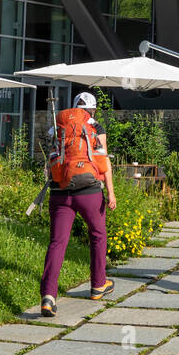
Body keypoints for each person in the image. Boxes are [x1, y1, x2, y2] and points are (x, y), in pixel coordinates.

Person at [40, 92, 116, 318]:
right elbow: (104, 162)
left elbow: (50, 160)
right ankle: (98, 285)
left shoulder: (58, 125)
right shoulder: (95, 126)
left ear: (74, 108)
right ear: (91, 110)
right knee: (98, 235)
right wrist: (111, 193)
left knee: (57, 242)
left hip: (60, 192)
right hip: (89, 192)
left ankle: (48, 296)